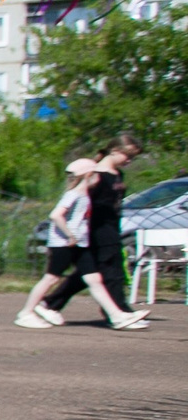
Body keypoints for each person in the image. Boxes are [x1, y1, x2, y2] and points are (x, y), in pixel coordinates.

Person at [40, 134, 148, 330]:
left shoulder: (117, 174)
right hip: (96, 231)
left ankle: (50, 303)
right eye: (128, 156)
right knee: (112, 272)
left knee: (90, 273)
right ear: (115, 151)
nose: (130, 161)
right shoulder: (95, 175)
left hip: (112, 228)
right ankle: (119, 313)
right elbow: (81, 205)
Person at [16, 159, 118, 328]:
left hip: (78, 244)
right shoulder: (74, 194)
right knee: (51, 278)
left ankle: (116, 315)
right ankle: (26, 313)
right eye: (96, 174)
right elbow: (56, 215)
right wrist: (70, 235)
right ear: (89, 175)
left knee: (94, 278)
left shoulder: (83, 194)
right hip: (64, 243)